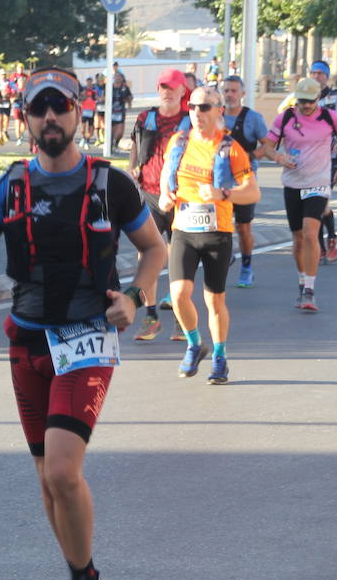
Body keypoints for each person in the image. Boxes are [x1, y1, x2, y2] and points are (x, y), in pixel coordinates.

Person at [0, 67, 166, 580]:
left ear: (77, 114)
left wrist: (136, 298)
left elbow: (154, 249)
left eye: (59, 107)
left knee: (64, 472)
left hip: (88, 338)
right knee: (48, 481)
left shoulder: (109, 184)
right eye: (38, 108)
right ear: (26, 118)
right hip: (27, 342)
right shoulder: (9, 187)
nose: (49, 118)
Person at [158, 84, 259, 382]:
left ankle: (220, 356)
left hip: (217, 231)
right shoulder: (178, 141)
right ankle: (194, 344)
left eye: (204, 108)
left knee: (214, 301)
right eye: (192, 107)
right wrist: (165, 194)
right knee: (178, 295)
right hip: (184, 229)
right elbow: (167, 172)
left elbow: (253, 192)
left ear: (219, 110)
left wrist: (221, 193)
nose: (196, 113)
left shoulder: (230, 148)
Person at [267, 78, 337, 312]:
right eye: (301, 101)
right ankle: (302, 281)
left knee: (310, 232)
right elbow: (266, 145)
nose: (305, 106)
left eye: (310, 101)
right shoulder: (285, 118)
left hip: (318, 182)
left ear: (318, 99)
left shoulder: (329, 117)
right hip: (293, 183)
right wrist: (277, 157)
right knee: (297, 239)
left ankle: (310, 291)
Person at [128, 67, 190, 340]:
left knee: (179, 259)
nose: (166, 92)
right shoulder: (146, 117)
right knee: (146, 256)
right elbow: (135, 144)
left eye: (172, 88)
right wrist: (132, 168)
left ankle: (181, 317)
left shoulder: (191, 120)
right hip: (150, 194)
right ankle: (151, 316)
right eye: (163, 87)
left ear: (182, 91)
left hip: (182, 197)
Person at [220, 75, 270, 287]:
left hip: (244, 184)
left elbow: (267, 145)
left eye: (233, 91)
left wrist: (250, 157)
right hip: (219, 182)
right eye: (226, 91)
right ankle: (224, 257)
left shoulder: (253, 118)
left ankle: (247, 266)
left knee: (243, 228)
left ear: (242, 94)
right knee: (217, 227)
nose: (230, 95)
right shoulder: (215, 115)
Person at [307, 60, 337, 262]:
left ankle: (332, 238)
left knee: (321, 203)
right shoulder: (304, 98)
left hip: (331, 160)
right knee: (312, 203)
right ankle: (319, 247)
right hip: (308, 159)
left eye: (320, 73)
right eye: (314, 73)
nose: (317, 76)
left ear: (327, 76)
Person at [109, 64, 133, 150]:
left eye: (119, 76)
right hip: (110, 112)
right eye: (116, 76)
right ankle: (110, 146)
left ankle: (116, 143)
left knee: (120, 132)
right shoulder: (109, 87)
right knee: (111, 131)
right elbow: (104, 97)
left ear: (122, 78)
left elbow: (129, 97)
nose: (118, 78)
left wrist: (129, 102)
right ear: (113, 78)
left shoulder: (125, 88)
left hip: (120, 112)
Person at [0, 69, 15, 146]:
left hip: (7, 102)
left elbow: (14, 90)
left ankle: (5, 131)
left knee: (6, 119)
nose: (3, 76)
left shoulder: (10, 82)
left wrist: (10, 94)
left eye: (4, 75)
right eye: (2, 75)